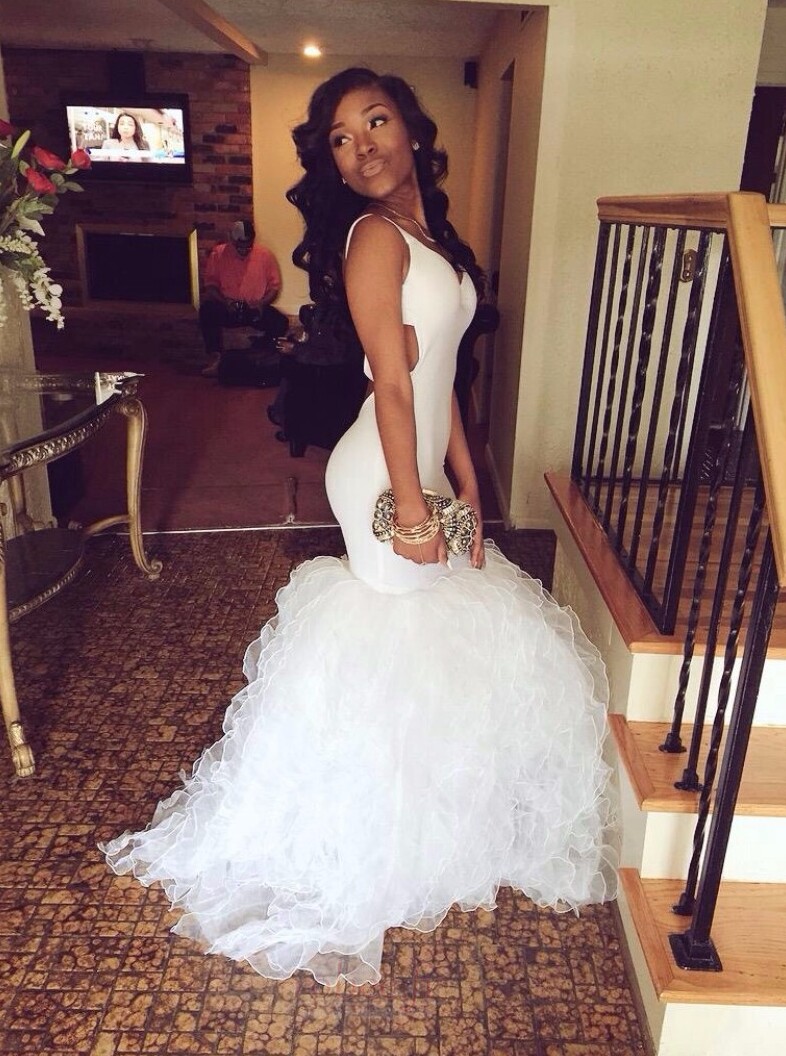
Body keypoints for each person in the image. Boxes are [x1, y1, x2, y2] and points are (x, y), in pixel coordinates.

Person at [101, 67, 618, 987]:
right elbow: (392, 384)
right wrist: (412, 505)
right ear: (333, 163)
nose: (362, 146)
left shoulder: (430, 238)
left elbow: (441, 372)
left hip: (420, 465)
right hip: (381, 471)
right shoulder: (373, 237)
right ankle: (366, 836)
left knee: (430, 637)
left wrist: (468, 482)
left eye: (375, 122)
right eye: (341, 138)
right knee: (394, 640)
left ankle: (423, 816)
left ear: (412, 130)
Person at [198, 219, 286, 377]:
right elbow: (210, 285)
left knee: (280, 322)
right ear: (232, 240)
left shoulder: (265, 255)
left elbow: (274, 287)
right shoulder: (218, 253)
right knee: (207, 310)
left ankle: (260, 355)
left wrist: (262, 303)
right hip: (228, 307)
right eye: (240, 246)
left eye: (248, 246)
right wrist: (225, 301)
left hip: (253, 309)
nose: (244, 250)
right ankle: (216, 359)